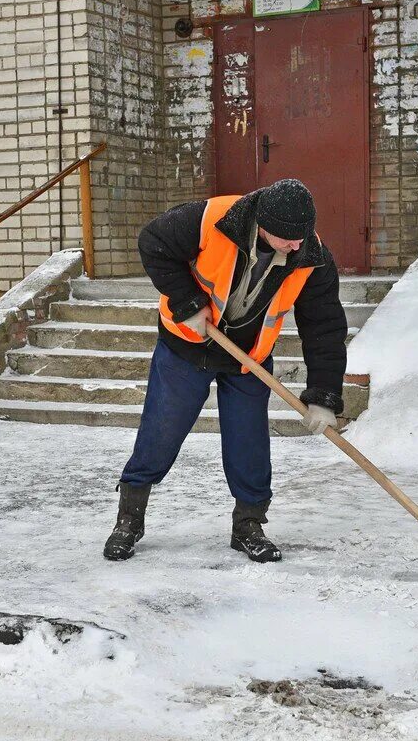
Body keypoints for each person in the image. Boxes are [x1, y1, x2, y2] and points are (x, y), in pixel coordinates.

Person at [103, 179, 348, 564]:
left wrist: (324, 394)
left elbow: (325, 327)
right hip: (186, 345)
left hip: (248, 358)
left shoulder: (311, 256)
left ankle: (248, 524)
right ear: (263, 225)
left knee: (249, 442)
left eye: (302, 236)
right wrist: (187, 301)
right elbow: (154, 242)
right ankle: (129, 519)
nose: (296, 245)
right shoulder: (211, 219)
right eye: (287, 239)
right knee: (161, 431)